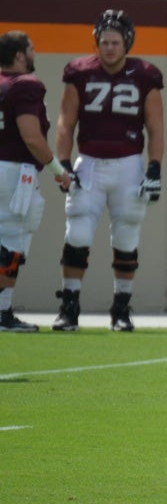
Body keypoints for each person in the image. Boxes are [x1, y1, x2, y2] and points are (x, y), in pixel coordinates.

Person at [51, 9, 164, 333]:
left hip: (129, 164)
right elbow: (65, 122)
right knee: (78, 233)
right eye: (104, 42)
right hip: (89, 162)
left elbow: (156, 128)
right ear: (96, 43)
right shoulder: (79, 72)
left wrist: (154, 167)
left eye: (115, 42)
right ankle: (69, 306)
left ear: (126, 42)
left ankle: (121, 307)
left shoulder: (145, 75)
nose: (109, 48)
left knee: (127, 234)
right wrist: (64, 163)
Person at [0, 31, 73, 333]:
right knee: (13, 242)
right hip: (15, 172)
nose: (34, 52)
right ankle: (2, 312)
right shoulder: (25, 85)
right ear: (19, 56)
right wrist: (58, 168)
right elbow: (31, 137)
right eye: (30, 48)